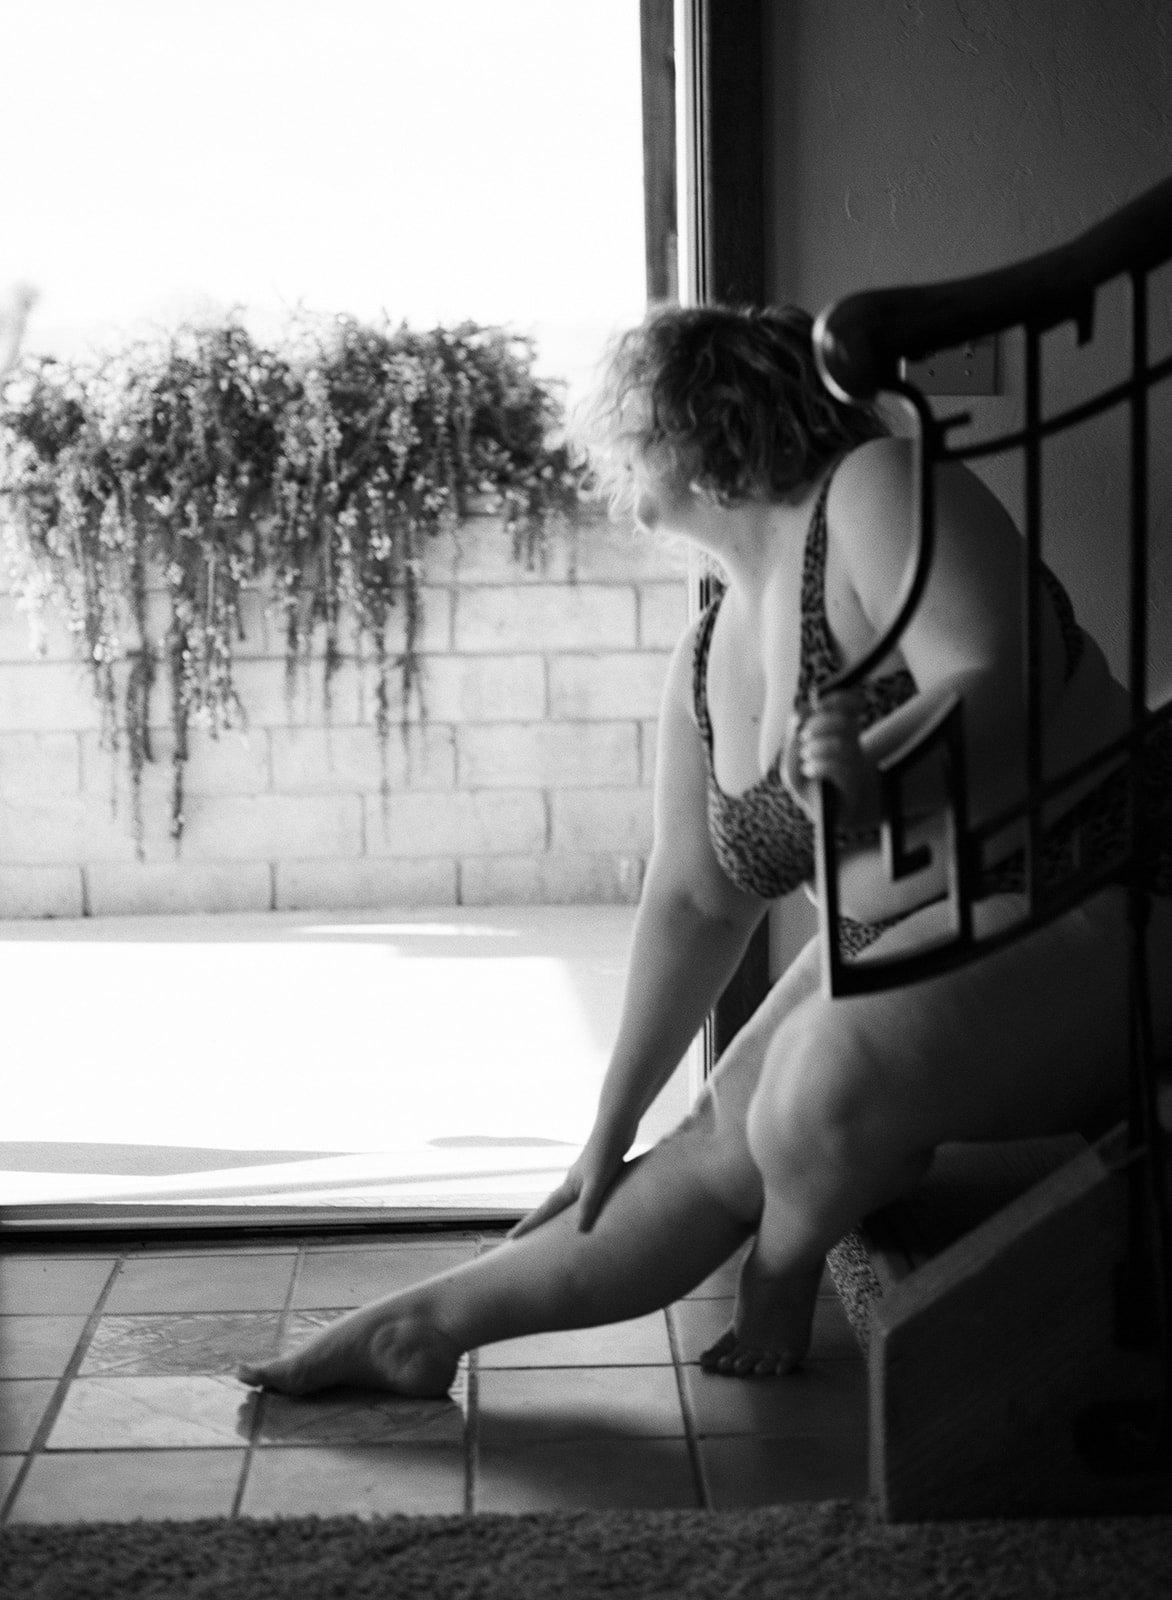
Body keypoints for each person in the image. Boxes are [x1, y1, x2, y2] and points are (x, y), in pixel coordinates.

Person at [238, 303, 1172, 1397]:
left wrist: (882, 768)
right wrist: (610, 1121)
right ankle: (421, 1324)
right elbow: (696, 904)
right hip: (898, 942)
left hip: (1097, 894)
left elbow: (992, 674)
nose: (615, 456)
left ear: (703, 420)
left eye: (630, 425)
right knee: (703, 1143)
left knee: (817, 1076)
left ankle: (783, 1263)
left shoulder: (875, 487)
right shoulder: (704, 647)